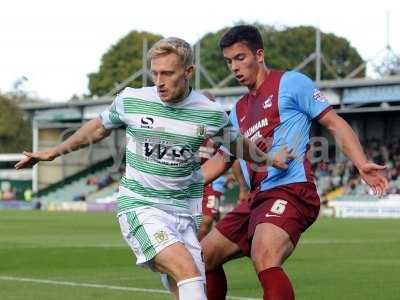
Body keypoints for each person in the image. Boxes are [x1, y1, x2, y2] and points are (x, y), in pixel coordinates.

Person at [15, 37, 291, 300]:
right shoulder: (133, 99)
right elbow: (98, 127)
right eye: (154, 73)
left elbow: (238, 147)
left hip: (184, 213)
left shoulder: (210, 112)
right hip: (140, 205)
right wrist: (52, 152)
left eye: (167, 73)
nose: (159, 82)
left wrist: (270, 160)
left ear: (188, 71)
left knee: (189, 286)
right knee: (190, 274)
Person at [200, 25, 389, 300]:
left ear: (259, 54)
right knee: (205, 256)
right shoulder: (238, 111)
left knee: (264, 254)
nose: (234, 67)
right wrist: (178, 183)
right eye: (229, 61)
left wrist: (361, 163)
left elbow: (333, 123)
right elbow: (222, 158)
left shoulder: (291, 83)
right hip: (256, 199)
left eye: (240, 58)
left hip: (292, 189)